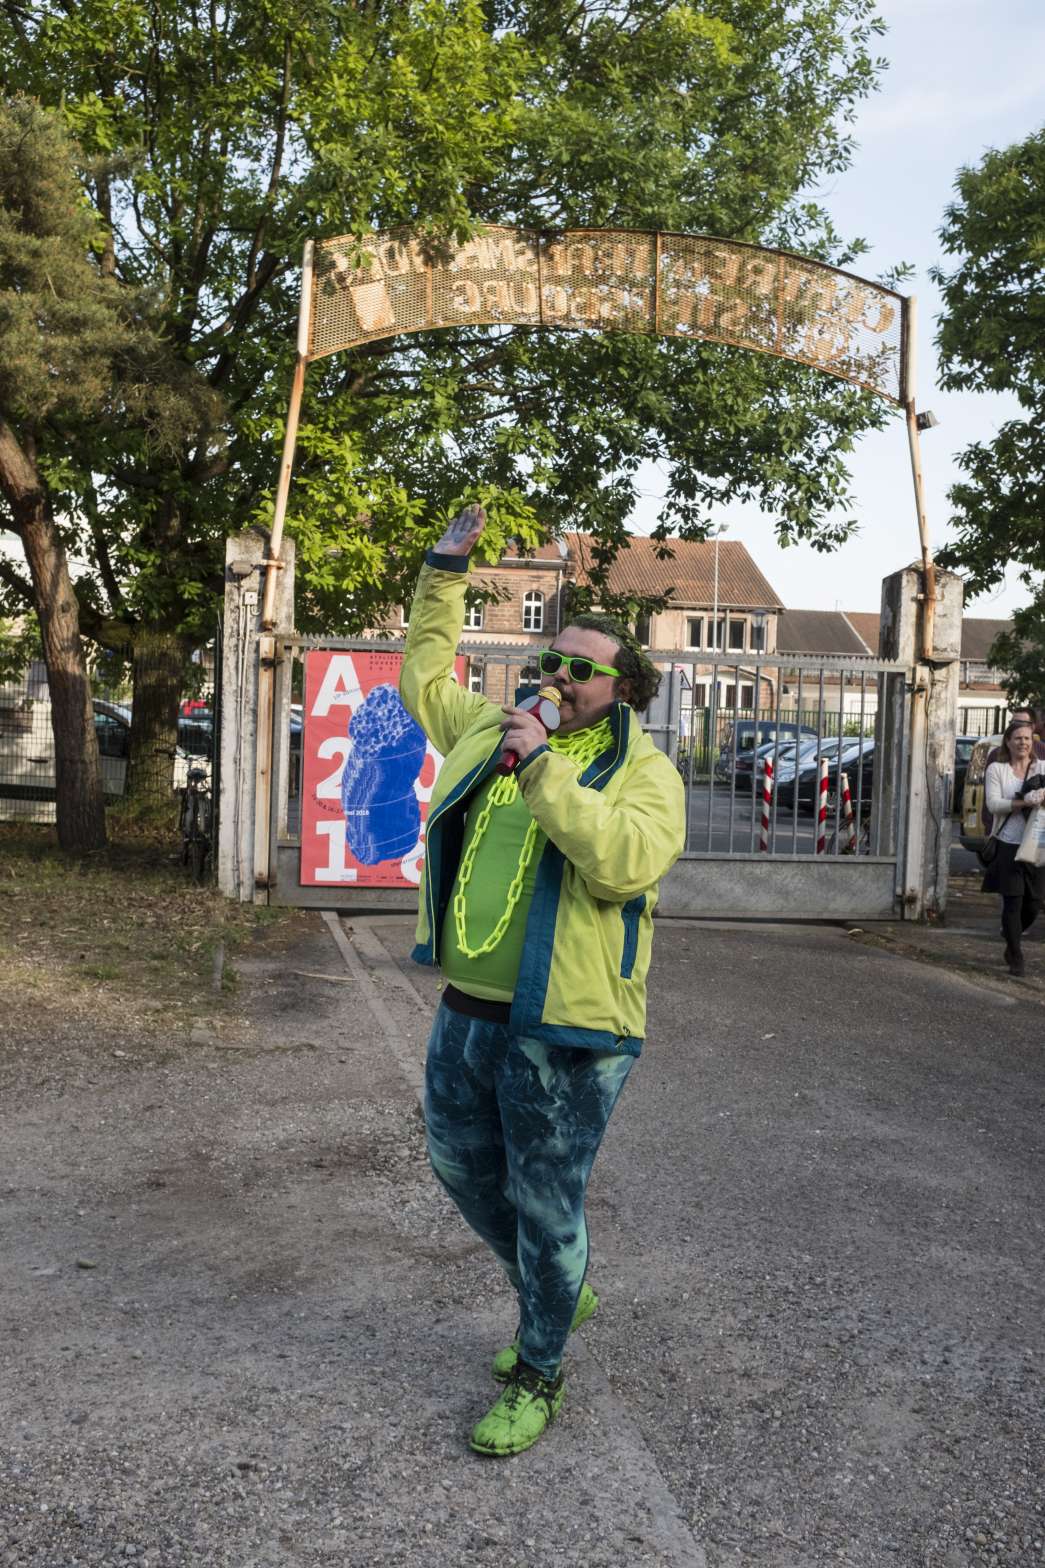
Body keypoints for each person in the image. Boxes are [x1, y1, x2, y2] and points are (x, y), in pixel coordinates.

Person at [399, 503, 685, 1456]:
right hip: (466, 1007)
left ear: (624, 687)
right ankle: (554, 1286)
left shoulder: (644, 775)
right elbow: (422, 675)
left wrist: (542, 774)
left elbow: (624, 865)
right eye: (548, 660)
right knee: (457, 1166)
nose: (553, 676)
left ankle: (540, 1369)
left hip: (567, 1027)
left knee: (547, 1202)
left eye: (579, 667)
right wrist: (444, 573)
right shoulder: (490, 729)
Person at [982, 718, 1045, 976]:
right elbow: (994, 804)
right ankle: (1015, 955)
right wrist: (1023, 802)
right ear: (1008, 741)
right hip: (1008, 844)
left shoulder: (1042, 767)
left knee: (1034, 903)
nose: (1023, 742)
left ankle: (1011, 935)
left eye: (1027, 738)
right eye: (1018, 738)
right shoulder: (997, 770)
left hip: (1036, 843)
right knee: (1013, 902)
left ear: (1033, 743)